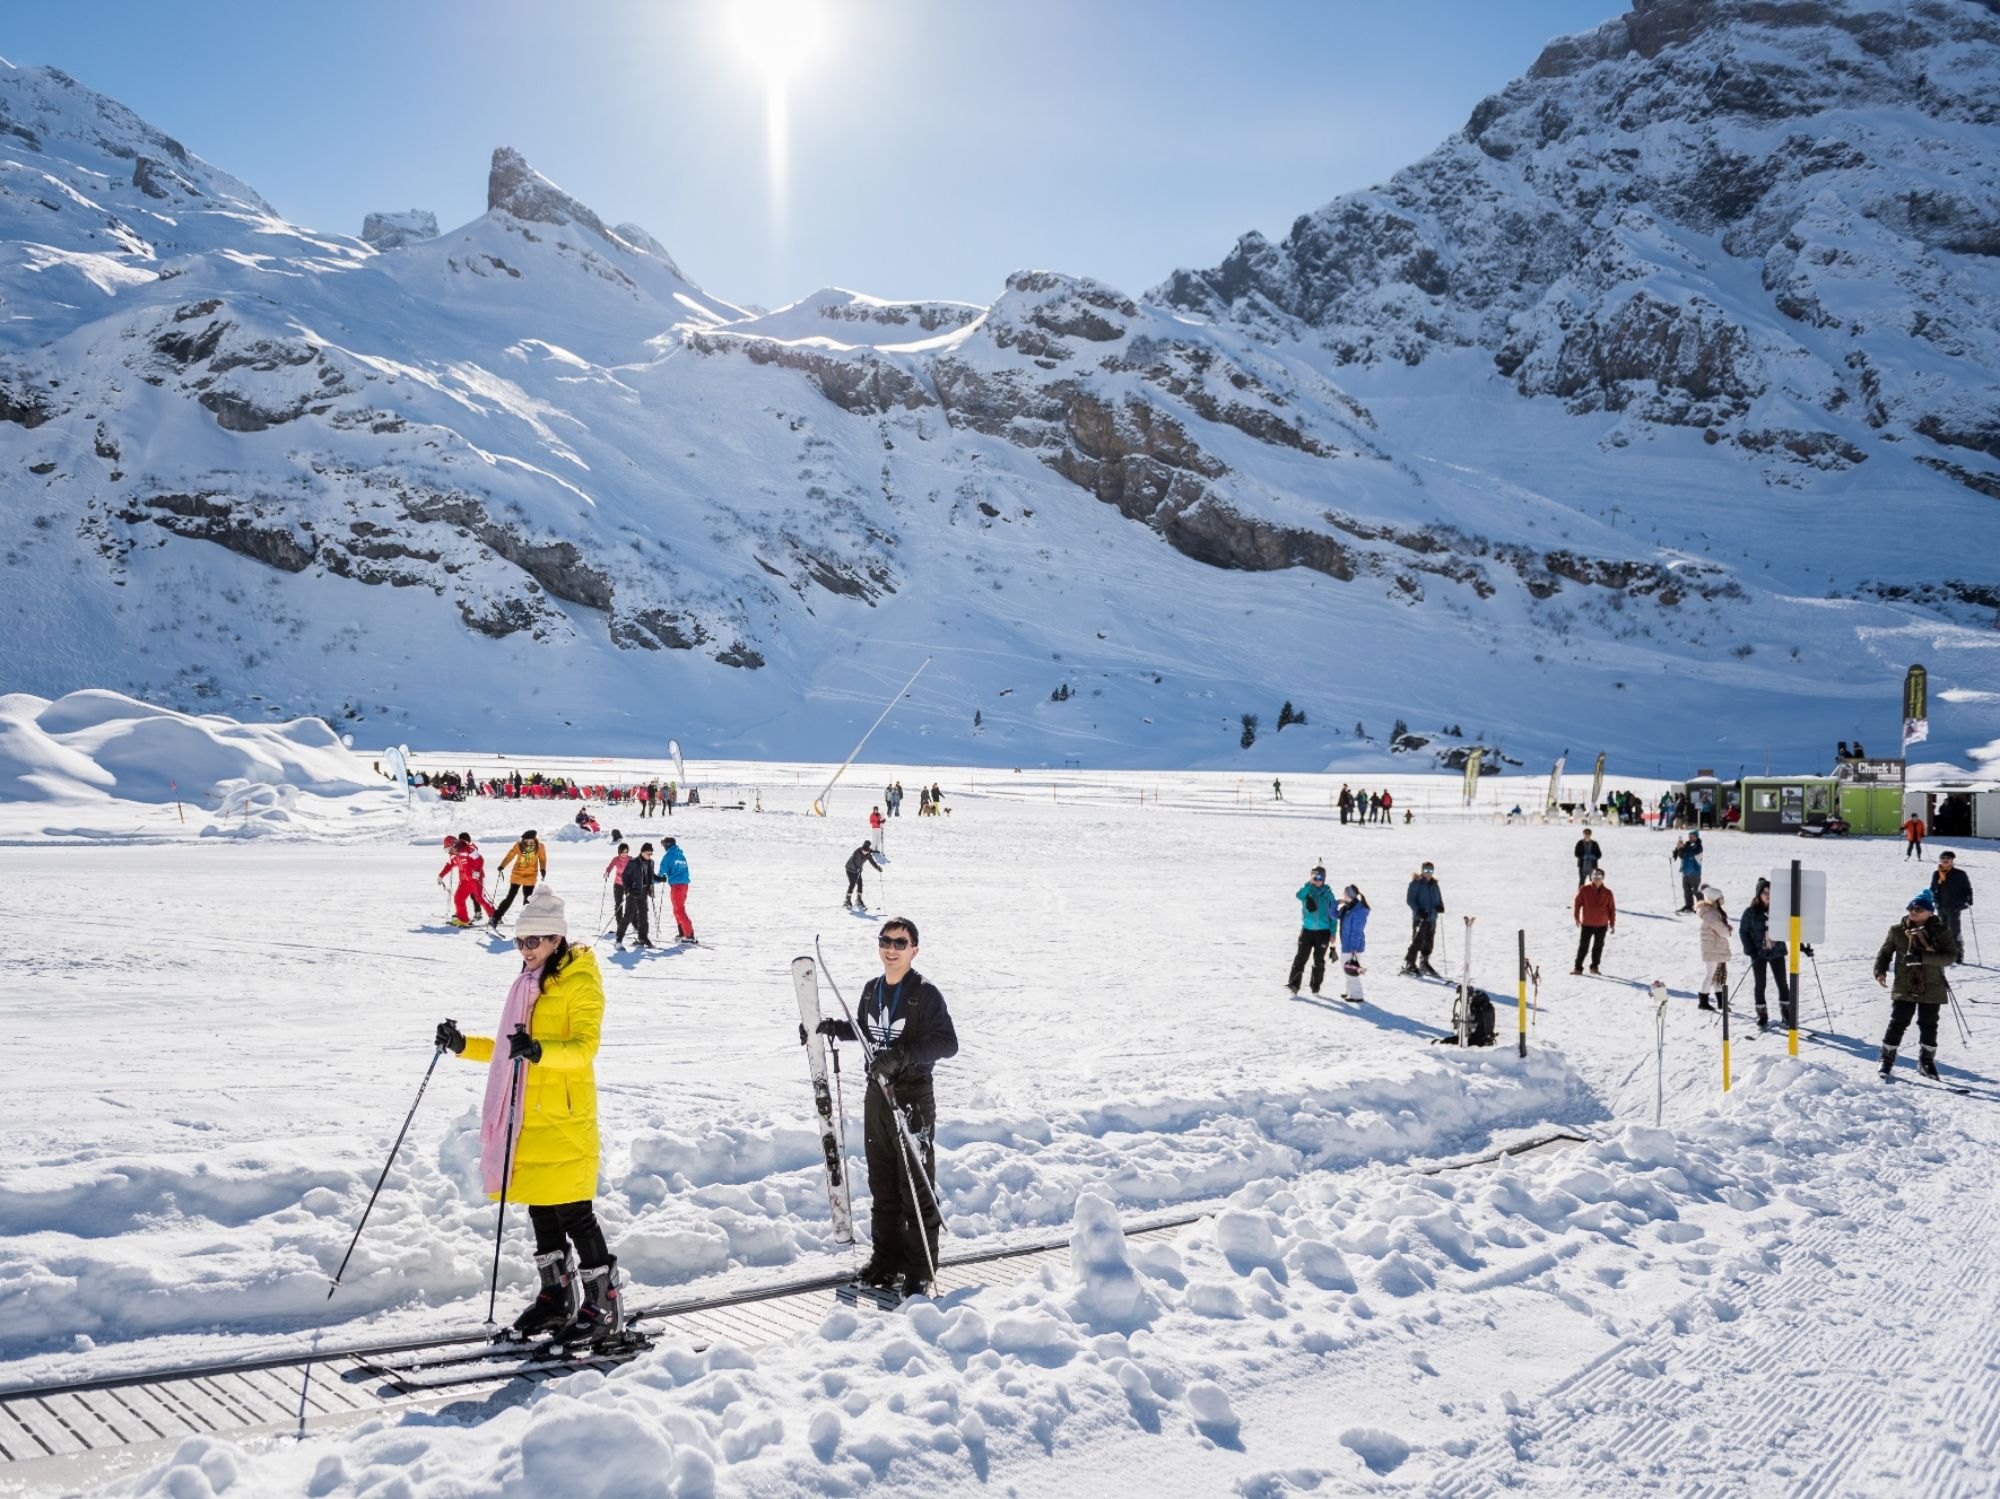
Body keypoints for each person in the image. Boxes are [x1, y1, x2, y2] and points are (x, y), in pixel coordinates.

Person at [434, 889, 625, 1348]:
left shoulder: (581, 980)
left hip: (564, 1116)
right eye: (520, 942)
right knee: (541, 1207)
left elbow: (584, 1050)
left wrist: (538, 1052)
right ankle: (555, 1297)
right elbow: (507, 1050)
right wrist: (462, 1045)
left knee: (575, 1212)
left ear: (557, 938)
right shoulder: (529, 984)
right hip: (528, 1116)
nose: (526, 950)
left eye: (534, 941)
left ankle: (603, 1305)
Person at [809, 917, 957, 1295]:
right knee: (883, 1184)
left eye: (900, 943)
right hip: (877, 1095)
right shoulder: (872, 989)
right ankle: (885, 1263)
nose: (891, 949)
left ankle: (920, 1268)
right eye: (885, 941)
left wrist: (903, 1056)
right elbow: (863, 1028)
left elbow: (946, 1043)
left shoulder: (925, 993)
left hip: (912, 1097)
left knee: (914, 1185)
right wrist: (829, 1028)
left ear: (914, 950)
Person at [1875, 891, 1959, 1079]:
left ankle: (1926, 1062)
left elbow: (1950, 956)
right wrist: (1879, 970)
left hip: (1932, 985)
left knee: (1929, 1024)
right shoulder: (1897, 930)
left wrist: (1922, 958)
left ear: (1929, 912)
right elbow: (1885, 952)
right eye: (1911, 908)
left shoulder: (1940, 931)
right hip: (1905, 984)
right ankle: (1886, 1059)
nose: (1913, 912)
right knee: (1898, 1021)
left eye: (1918, 909)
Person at [1740, 878, 1794, 1031]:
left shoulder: (1778, 911)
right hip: (1759, 954)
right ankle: (1762, 1016)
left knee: (1782, 984)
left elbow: (1790, 929)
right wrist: (1750, 949)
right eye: (1765, 892)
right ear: (1759, 894)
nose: (1768, 895)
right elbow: (1743, 932)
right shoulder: (1750, 912)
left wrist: (1802, 945)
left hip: (1777, 952)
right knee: (1760, 984)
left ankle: (1786, 1014)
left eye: (1771, 892)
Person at [1288, 866, 1335, 996]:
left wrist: (1333, 933)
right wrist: (1309, 884)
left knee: (1318, 960)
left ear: (1324, 879)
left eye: (1320, 877)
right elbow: (1298, 895)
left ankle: (1315, 986)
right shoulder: (1307, 891)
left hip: (1323, 932)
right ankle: (1294, 985)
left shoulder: (1329, 895)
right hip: (1307, 931)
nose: (1317, 880)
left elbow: (1333, 916)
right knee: (1300, 958)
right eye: (1314, 877)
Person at [493, 830, 547, 928]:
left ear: (534, 839)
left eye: (530, 840)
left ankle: (525, 921)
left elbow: (542, 859)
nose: (528, 842)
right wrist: (502, 865)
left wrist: (543, 869)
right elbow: (510, 855)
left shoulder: (540, 847)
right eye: (526, 841)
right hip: (517, 875)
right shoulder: (518, 845)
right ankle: (496, 917)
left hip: (530, 876)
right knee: (510, 897)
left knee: (528, 900)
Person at [440, 833, 496, 927]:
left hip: (475, 878)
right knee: (458, 898)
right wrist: (441, 875)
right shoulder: (455, 854)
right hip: (465, 881)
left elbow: (480, 859)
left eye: (449, 849)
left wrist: (477, 871)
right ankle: (463, 919)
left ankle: (495, 917)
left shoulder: (469, 849)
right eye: (447, 850)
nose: (449, 852)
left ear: (454, 844)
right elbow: (450, 864)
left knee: (480, 898)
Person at [1403, 862, 1445, 977]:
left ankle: (1424, 963)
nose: (1428, 873)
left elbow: (1438, 898)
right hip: (1421, 918)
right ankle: (1410, 963)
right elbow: (1410, 900)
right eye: (1426, 870)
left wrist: (1440, 906)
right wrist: (1419, 911)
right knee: (1417, 942)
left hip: (1432, 918)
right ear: (1422, 870)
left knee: (1429, 943)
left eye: (1430, 870)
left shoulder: (1434, 885)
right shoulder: (1416, 883)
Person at [1930, 852, 1973, 962]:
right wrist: (1935, 901)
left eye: (1948, 858)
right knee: (1941, 931)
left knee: (1954, 931)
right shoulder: (1937, 874)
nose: (1945, 860)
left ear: (1952, 860)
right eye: (1943, 858)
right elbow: (1933, 889)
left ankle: (1958, 955)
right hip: (1941, 906)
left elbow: (1967, 889)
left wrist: (1966, 901)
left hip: (1954, 907)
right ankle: (1944, 954)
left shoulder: (1960, 874)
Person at [1572, 868, 1616, 975]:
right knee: (1583, 946)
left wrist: (1612, 923)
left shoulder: (1608, 893)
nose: (1596, 878)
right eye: (1594, 876)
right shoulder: (1584, 890)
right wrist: (1577, 918)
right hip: (1587, 924)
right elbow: (1577, 904)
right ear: (1591, 877)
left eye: (1599, 876)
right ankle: (1578, 968)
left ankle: (1594, 967)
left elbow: (1611, 909)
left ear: (1603, 878)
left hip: (1602, 925)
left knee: (1598, 947)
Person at [1696, 885, 1732, 1012]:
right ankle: (1703, 1001)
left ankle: (1721, 1003)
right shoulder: (1711, 913)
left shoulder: (1711, 912)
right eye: (1721, 897)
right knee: (1711, 974)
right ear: (1716, 899)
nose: (1723, 898)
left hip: (1714, 948)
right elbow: (1721, 930)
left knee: (1717, 976)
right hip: (1712, 948)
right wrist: (1728, 930)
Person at [617, 842, 656, 948]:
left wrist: (658, 880)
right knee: (628, 916)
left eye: (651, 854)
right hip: (633, 892)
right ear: (642, 852)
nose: (649, 855)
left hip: (644, 892)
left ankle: (643, 937)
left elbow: (651, 876)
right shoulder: (634, 862)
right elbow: (625, 876)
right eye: (648, 853)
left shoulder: (651, 862)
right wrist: (628, 889)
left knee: (644, 916)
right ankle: (619, 939)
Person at [660, 835, 693, 941]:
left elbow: (662, 872)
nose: (664, 847)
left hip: (677, 886)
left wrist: (652, 880)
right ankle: (682, 933)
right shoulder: (681, 855)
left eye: (664, 845)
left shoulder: (669, 856)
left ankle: (689, 935)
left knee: (679, 910)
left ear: (668, 845)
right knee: (677, 909)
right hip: (684, 885)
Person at [1336, 884, 1370, 977]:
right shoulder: (1347, 908)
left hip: (1352, 947)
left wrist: (1353, 948)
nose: (1343, 894)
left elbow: (1357, 932)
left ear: (1349, 895)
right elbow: (1333, 915)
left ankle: (1358, 973)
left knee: (1350, 972)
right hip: (1346, 945)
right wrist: (1336, 903)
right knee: (1348, 972)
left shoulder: (1358, 911)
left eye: (1345, 893)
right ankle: (1350, 991)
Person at [845, 840, 884, 908]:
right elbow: (853, 861)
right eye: (864, 851)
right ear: (862, 849)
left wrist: (878, 868)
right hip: (850, 869)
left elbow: (872, 862)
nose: (865, 852)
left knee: (860, 884)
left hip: (858, 871)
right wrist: (855, 868)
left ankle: (858, 899)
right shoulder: (857, 851)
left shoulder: (868, 854)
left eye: (866, 851)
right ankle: (847, 900)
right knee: (852, 883)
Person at [603, 842, 631, 934]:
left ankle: (635, 924)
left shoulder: (631, 859)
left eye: (626, 852)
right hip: (618, 884)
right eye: (623, 852)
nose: (624, 854)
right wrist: (607, 872)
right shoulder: (616, 859)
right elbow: (610, 867)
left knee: (631, 905)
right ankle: (620, 925)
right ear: (619, 852)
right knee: (618, 905)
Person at [1673, 835, 1703, 913]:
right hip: (1685, 872)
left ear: (1696, 837)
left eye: (1692, 836)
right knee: (1687, 890)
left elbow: (1691, 853)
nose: (1690, 838)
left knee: (1696, 890)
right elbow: (1681, 855)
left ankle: (1702, 906)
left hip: (1694, 872)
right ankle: (1689, 906)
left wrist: (1682, 848)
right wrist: (1677, 849)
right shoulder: (1687, 845)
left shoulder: (1698, 846)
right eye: (1689, 836)